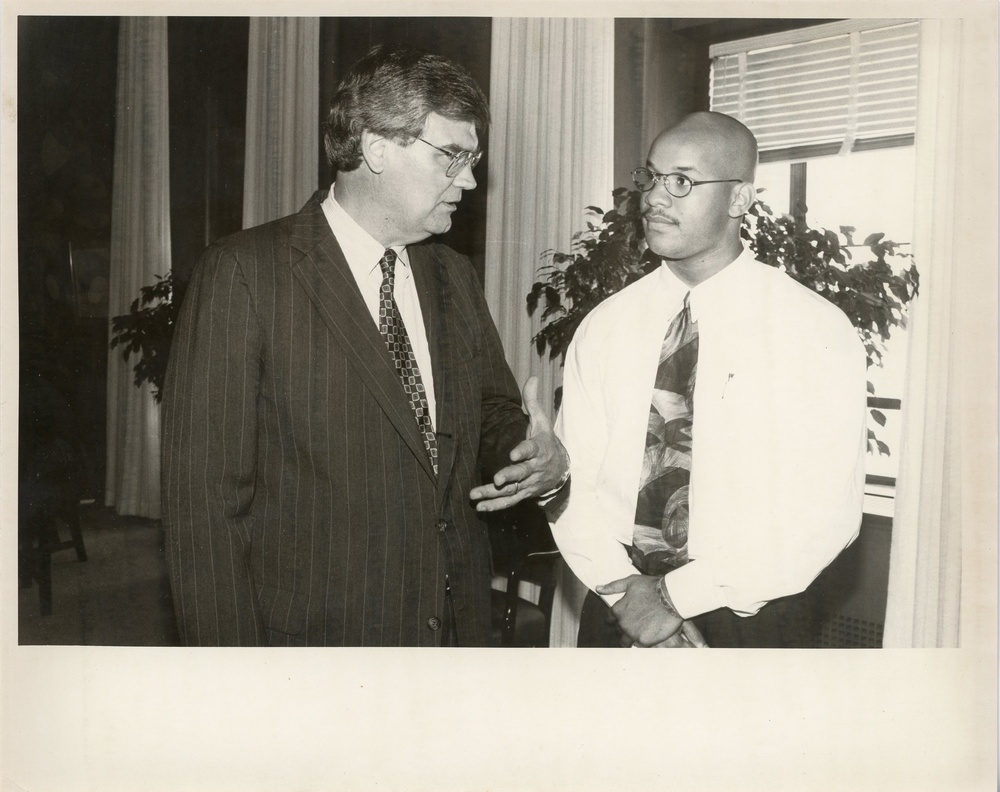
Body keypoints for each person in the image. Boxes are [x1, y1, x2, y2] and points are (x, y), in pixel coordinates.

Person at [162, 45, 567, 647]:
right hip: (321, 643)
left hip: (455, 632)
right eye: (452, 156)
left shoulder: (452, 275)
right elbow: (205, 512)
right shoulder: (246, 273)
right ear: (377, 147)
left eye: (473, 158)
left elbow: (490, 415)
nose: (472, 179)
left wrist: (534, 456)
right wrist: (234, 683)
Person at [547, 111, 868, 648]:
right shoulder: (605, 326)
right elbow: (573, 484)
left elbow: (824, 515)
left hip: (751, 619)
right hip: (616, 607)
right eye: (650, 177)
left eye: (682, 182)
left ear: (739, 200)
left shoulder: (813, 330)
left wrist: (672, 600)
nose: (654, 197)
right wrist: (630, 599)